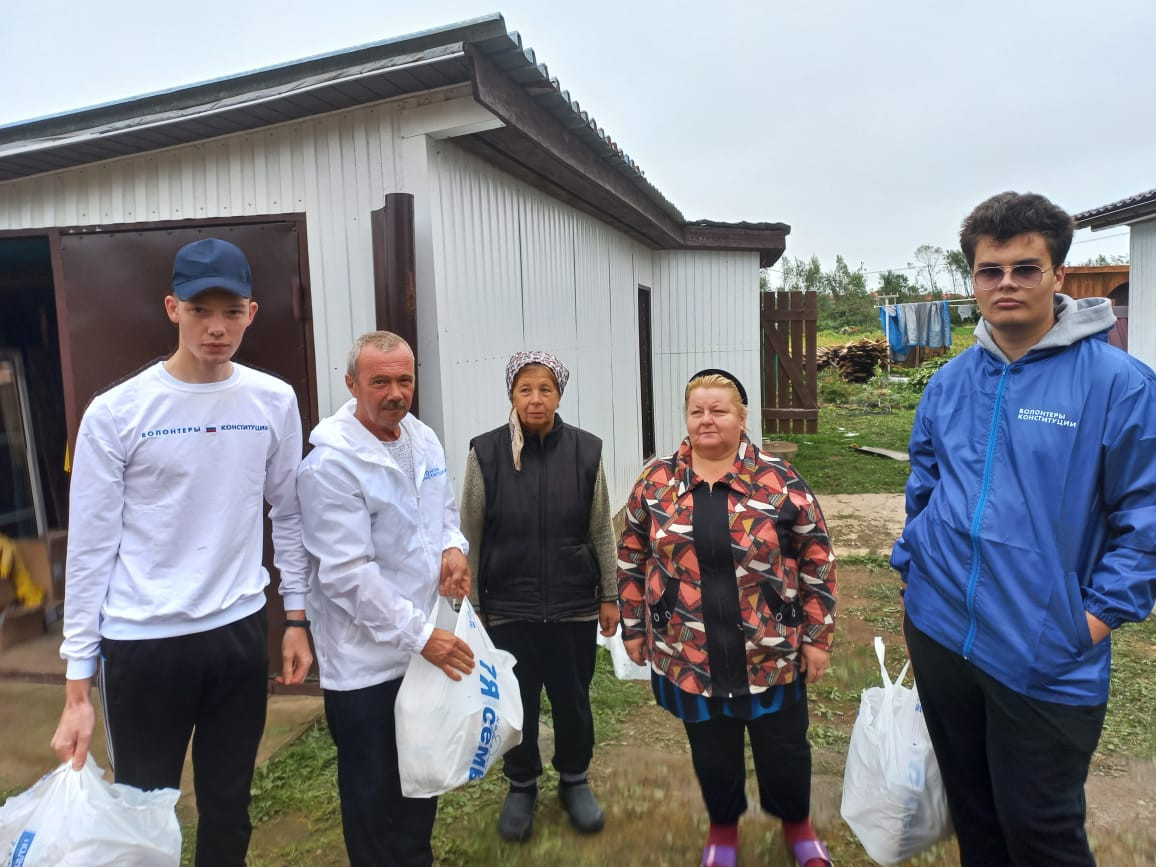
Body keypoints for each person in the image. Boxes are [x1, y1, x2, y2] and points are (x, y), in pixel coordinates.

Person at [891, 191, 1156, 866]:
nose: (1006, 283)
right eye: (990, 270)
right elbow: (924, 487)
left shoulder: (1119, 385)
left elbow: (1147, 517)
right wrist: (914, 572)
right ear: (973, 280)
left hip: (1046, 650)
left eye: (1024, 268)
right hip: (942, 635)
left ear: (1059, 275)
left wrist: (1088, 619)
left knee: (1041, 833)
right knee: (976, 820)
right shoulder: (949, 384)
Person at [51, 237, 313, 866]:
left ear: (252, 312)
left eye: (231, 311)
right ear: (172, 308)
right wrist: (77, 685)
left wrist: (296, 616)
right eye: (200, 310)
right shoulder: (116, 413)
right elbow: (90, 550)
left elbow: (290, 512)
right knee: (143, 810)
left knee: (229, 805)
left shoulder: (273, 401)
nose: (216, 328)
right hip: (144, 643)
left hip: (237, 634)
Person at [618, 370, 837, 867]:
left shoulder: (778, 480)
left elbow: (816, 558)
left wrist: (817, 636)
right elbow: (630, 555)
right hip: (689, 651)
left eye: (719, 410)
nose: (707, 420)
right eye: (697, 411)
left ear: (742, 418)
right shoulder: (657, 481)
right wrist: (634, 627)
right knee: (712, 750)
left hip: (770, 648)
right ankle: (723, 830)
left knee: (783, 749)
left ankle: (799, 828)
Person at [297, 331, 473, 867]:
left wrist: (453, 548)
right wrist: (422, 636)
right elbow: (349, 576)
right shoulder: (330, 466)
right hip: (365, 662)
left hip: (419, 645)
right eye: (380, 381)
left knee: (420, 769)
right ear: (352, 384)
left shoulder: (421, 438)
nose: (395, 392)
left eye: (404, 379)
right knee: (371, 786)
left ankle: (416, 857)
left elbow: (441, 511)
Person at [459, 351, 619, 841]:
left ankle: (574, 779)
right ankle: (522, 785)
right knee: (517, 700)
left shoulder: (586, 451)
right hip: (508, 606)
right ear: (511, 394)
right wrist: (473, 605)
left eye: (545, 389)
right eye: (525, 389)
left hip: (573, 605)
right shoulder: (485, 452)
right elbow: (470, 531)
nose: (535, 398)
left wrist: (609, 595)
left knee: (572, 700)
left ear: (559, 395)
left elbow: (601, 532)